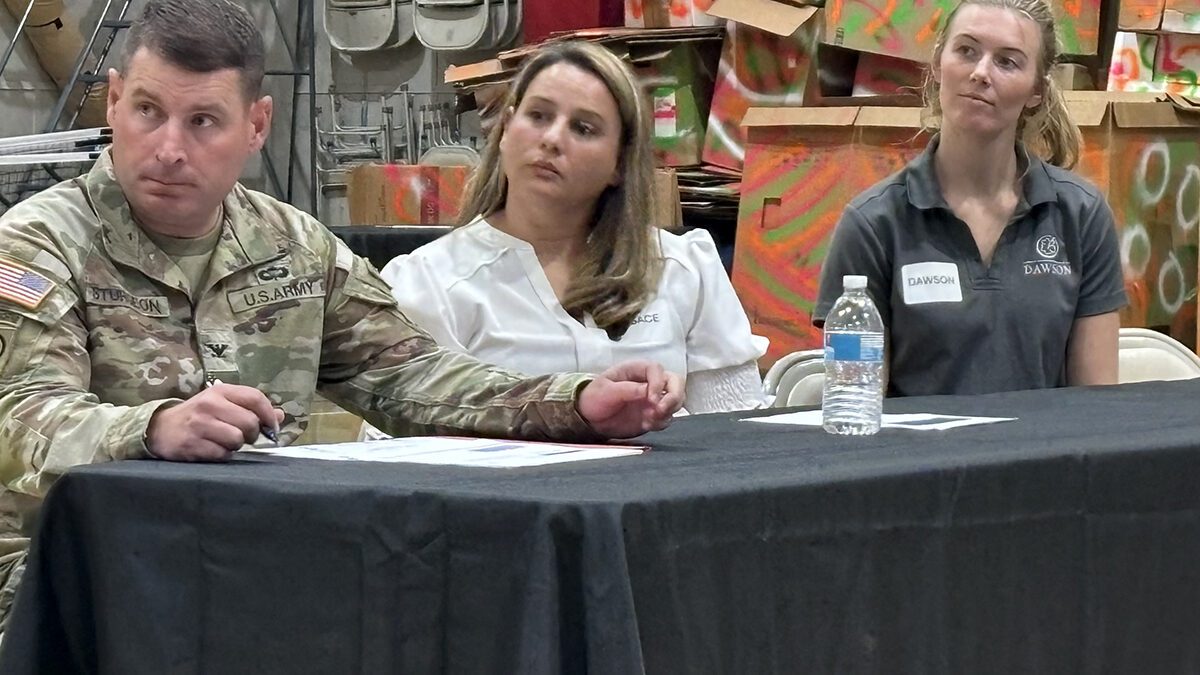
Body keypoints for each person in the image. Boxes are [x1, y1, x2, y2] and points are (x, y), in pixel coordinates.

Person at [0, 0, 684, 632]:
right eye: (148, 111)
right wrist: (152, 427)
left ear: (257, 125)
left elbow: (415, 377)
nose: (170, 147)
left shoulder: (295, 248)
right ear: (114, 100)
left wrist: (577, 401)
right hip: (68, 582)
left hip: (256, 573)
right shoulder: (36, 243)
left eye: (203, 121)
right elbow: (23, 416)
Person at [377, 41, 767, 419]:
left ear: (619, 163)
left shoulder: (681, 268)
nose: (551, 139)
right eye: (538, 116)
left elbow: (737, 438)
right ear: (507, 128)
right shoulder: (429, 283)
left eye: (583, 128)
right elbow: (394, 457)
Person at [813, 0, 1126, 396]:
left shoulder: (1081, 214)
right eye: (967, 51)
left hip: (1044, 455)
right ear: (938, 64)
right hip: (918, 458)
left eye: (1007, 62)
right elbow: (855, 409)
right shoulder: (874, 223)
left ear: (1037, 93)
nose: (980, 73)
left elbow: (1096, 408)